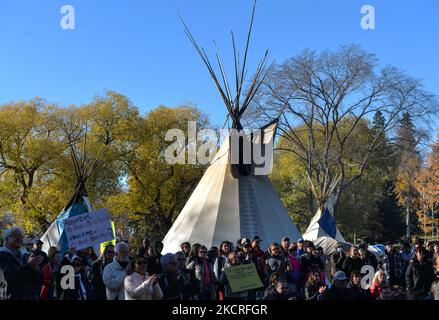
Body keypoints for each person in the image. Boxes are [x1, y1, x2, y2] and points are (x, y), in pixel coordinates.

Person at [0, 227, 43, 300]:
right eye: (15, 236)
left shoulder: (26, 256)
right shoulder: (2, 256)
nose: (19, 238)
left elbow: (39, 279)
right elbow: (8, 278)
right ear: (6, 239)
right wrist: (29, 266)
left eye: (21, 236)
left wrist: (36, 268)